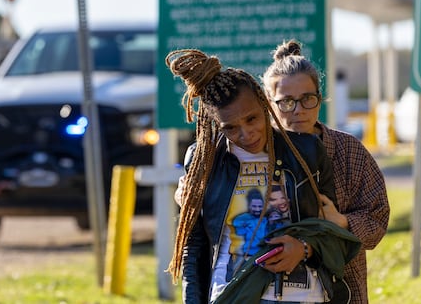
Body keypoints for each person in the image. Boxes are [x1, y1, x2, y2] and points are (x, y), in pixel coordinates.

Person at [166, 49, 360, 303]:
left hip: (302, 295)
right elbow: (195, 247)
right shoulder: (204, 160)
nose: (247, 134)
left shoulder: (307, 151)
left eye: (252, 118)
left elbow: (329, 233)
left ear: (264, 104)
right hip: (231, 293)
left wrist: (303, 249)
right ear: (215, 123)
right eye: (231, 128)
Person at [261, 39, 390, 304]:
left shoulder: (348, 150)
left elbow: (377, 221)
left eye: (307, 99)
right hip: (265, 289)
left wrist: (342, 222)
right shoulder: (254, 153)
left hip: (341, 290)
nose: (298, 110)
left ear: (320, 99)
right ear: (269, 103)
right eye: (286, 102)